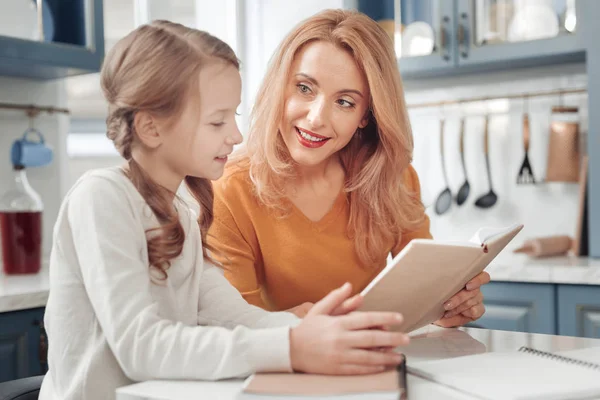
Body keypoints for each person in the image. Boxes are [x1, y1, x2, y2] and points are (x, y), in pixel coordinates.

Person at [39, 20, 412, 400]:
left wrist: (305, 332)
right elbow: (141, 347)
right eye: (217, 120)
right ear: (151, 128)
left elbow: (235, 317)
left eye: (233, 116)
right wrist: (292, 345)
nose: (235, 135)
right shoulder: (101, 198)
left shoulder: (180, 213)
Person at [208, 9, 490, 326]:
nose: (316, 118)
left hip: (370, 358)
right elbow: (235, 327)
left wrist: (448, 307)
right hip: (283, 365)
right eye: (304, 88)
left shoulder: (394, 179)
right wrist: (297, 325)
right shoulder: (228, 190)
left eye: (345, 102)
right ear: (280, 87)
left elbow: (423, 295)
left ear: (366, 116)